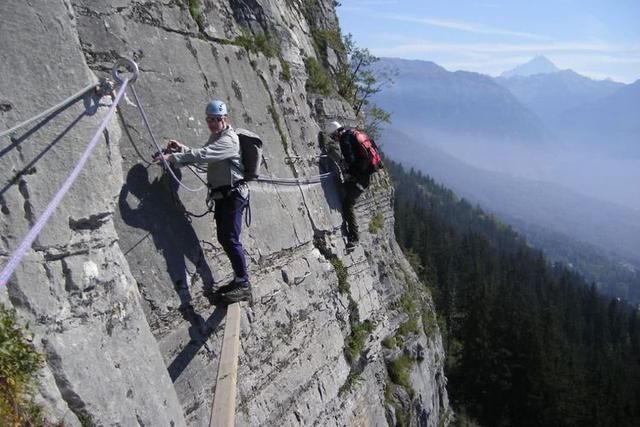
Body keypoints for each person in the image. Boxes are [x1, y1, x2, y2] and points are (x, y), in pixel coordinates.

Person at [154, 100, 251, 304]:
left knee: (230, 239)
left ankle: (243, 284)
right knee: (225, 238)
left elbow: (204, 155)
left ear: (225, 119)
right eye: (209, 120)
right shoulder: (217, 137)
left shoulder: (229, 140)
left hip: (233, 196)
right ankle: (239, 280)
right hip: (225, 197)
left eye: (216, 120)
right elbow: (204, 155)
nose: (212, 123)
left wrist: (173, 158)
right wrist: (182, 149)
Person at [326, 121, 374, 251]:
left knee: (348, 204)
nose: (334, 139)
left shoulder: (344, 139)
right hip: (365, 173)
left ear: (336, 133)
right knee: (345, 190)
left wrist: (347, 169)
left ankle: (354, 238)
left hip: (361, 177)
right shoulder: (354, 133)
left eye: (332, 137)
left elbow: (350, 160)